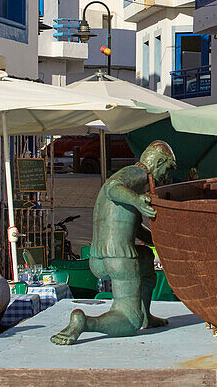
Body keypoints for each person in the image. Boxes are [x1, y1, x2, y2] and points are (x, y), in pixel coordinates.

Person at [51, 141, 176, 345]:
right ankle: (86, 322)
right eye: (167, 168)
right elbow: (112, 188)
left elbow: (134, 229)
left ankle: (146, 316)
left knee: (145, 258)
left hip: (98, 258)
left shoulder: (133, 184)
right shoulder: (138, 174)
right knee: (129, 319)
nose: (166, 175)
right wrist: (137, 200)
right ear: (159, 162)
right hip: (118, 257)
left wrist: (161, 241)